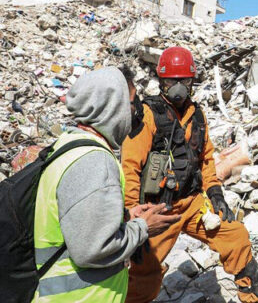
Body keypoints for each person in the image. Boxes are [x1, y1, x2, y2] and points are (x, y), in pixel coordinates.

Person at [121, 47, 258, 303]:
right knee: (144, 275)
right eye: (171, 81)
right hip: (158, 209)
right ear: (160, 81)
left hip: (193, 202)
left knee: (236, 237)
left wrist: (216, 193)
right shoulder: (148, 115)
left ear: (192, 81)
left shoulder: (197, 115)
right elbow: (130, 167)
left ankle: (251, 296)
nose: (178, 87)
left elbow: (206, 159)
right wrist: (132, 212)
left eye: (184, 80)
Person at [34, 67, 180, 302]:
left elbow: (77, 217)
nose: (137, 111)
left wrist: (124, 216)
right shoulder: (94, 160)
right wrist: (142, 228)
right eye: (132, 103)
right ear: (113, 107)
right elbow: (92, 250)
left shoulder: (70, 145)